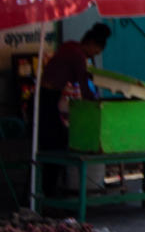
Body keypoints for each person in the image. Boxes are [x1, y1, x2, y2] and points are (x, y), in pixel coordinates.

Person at [35, 22, 111, 151]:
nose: (93, 56)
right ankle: (53, 169)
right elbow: (84, 85)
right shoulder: (78, 56)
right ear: (91, 43)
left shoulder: (69, 45)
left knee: (51, 135)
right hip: (48, 96)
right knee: (54, 138)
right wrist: (94, 103)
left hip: (43, 94)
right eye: (95, 52)